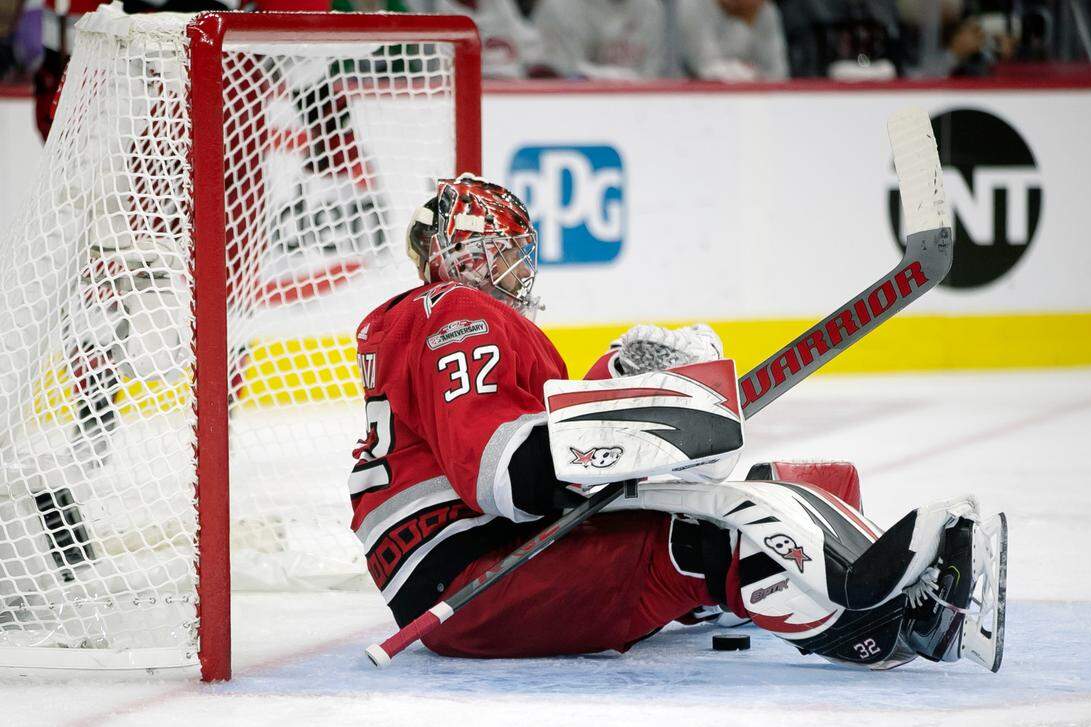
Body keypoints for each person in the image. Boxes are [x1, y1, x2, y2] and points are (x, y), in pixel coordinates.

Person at [349, 174, 1006, 670]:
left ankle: (829, 582)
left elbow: (545, 451)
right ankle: (884, 625)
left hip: (500, 554)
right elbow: (505, 475)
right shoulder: (454, 310)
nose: (525, 269)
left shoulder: (462, 325)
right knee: (701, 535)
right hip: (472, 580)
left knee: (810, 483)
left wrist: (621, 376)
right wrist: (652, 413)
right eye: (511, 251)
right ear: (471, 252)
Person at [531, 0, 666, 80]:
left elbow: (654, 79)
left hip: (638, 111)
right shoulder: (558, 7)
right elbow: (560, 79)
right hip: (574, 113)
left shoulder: (650, 8)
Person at [676, 0, 790, 82]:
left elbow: (778, 74)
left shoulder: (765, 10)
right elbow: (706, 67)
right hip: (698, 102)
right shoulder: (692, 5)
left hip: (754, 102)